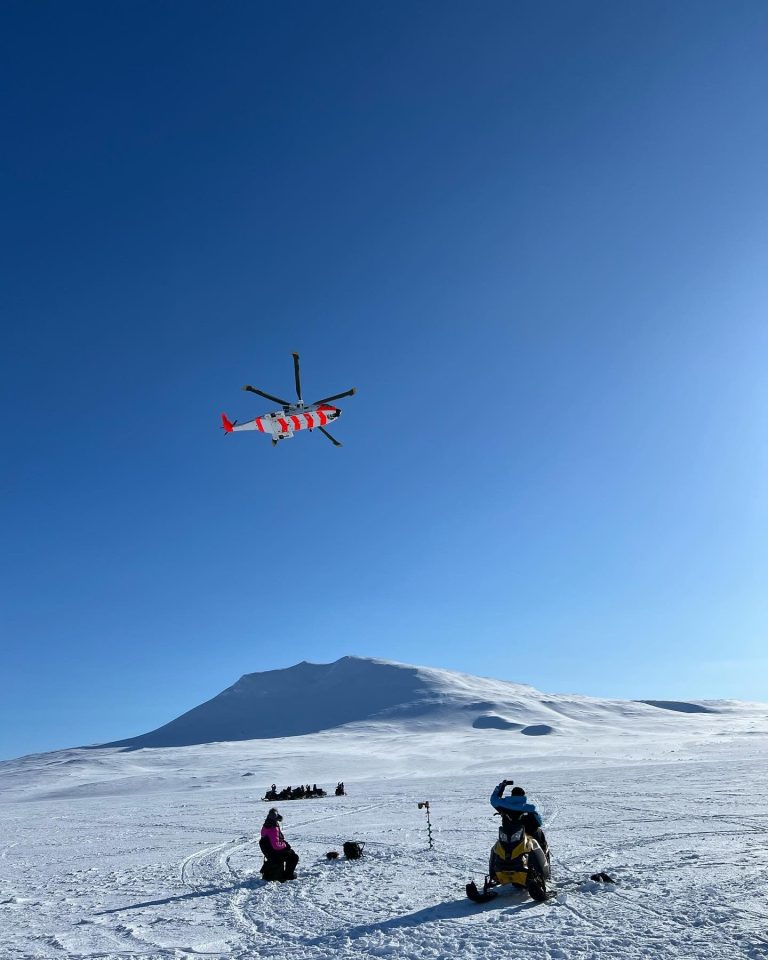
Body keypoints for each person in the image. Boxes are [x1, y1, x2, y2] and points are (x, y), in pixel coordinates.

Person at [490, 780, 549, 860]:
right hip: (524, 835)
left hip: (508, 834)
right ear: (523, 796)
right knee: (539, 832)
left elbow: (493, 798)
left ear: (512, 795)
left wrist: (502, 785)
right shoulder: (529, 808)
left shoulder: (502, 805)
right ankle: (544, 856)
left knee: (496, 848)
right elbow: (539, 823)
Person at [259, 808, 299, 881]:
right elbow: (276, 845)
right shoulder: (273, 828)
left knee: (289, 854)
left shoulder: (267, 824)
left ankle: (279, 873)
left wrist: (284, 844)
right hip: (273, 850)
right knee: (293, 857)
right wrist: (285, 846)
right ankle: (288, 875)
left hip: (268, 849)